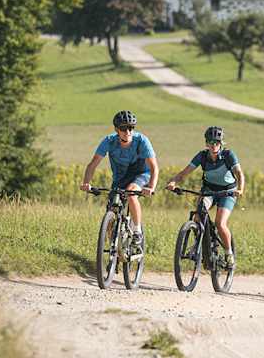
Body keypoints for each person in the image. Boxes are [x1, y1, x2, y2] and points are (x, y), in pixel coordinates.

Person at [165, 126, 245, 267]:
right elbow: (185, 172)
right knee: (198, 215)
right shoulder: (202, 156)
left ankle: (228, 253)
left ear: (221, 143)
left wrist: (240, 189)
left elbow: (239, 173)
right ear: (206, 143)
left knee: (220, 224)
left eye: (217, 142)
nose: (214, 145)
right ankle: (199, 245)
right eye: (210, 142)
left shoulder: (228, 155)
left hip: (227, 193)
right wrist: (173, 182)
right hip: (209, 190)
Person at [80, 110, 159, 249]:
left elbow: (154, 167)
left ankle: (137, 232)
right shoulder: (109, 141)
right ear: (116, 129)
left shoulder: (141, 141)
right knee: (111, 212)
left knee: (130, 192)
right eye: (123, 128)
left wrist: (151, 187)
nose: (128, 131)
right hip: (120, 178)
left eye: (131, 128)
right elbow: (93, 164)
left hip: (141, 174)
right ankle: (114, 250)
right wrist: (86, 183)